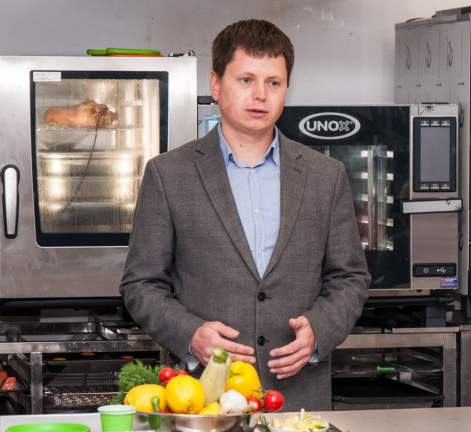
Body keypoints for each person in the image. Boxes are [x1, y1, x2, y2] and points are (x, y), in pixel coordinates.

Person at [119, 19, 370, 412]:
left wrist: (320, 331)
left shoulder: (326, 175)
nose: (260, 95)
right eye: (246, 80)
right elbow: (141, 283)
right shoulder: (168, 174)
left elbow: (350, 278)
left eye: (274, 82)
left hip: (298, 400)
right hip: (201, 400)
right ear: (216, 84)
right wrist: (191, 335)